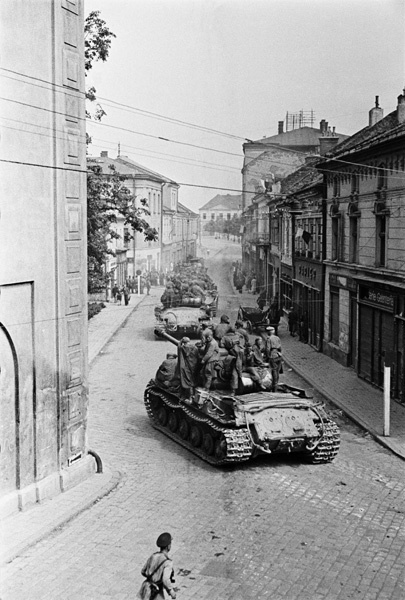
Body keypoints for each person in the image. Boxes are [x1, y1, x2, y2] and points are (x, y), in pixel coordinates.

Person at [137, 532, 177, 600]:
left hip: (146, 589)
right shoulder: (168, 562)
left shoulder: (153, 556)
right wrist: (171, 592)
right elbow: (165, 580)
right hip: (156, 591)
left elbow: (143, 571)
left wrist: (151, 578)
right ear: (168, 546)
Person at [176, 337, 200, 401]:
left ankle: (189, 396)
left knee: (187, 379)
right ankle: (193, 395)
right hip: (194, 365)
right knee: (193, 379)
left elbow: (180, 348)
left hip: (188, 366)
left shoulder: (184, 347)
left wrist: (180, 343)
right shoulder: (195, 347)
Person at [264, 326, 283, 391]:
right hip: (278, 355)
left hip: (273, 355)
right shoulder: (277, 338)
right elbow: (280, 347)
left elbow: (267, 349)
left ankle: (274, 386)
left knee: (274, 370)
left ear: (268, 333)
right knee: (277, 371)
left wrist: (268, 356)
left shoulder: (268, 339)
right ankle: (276, 384)